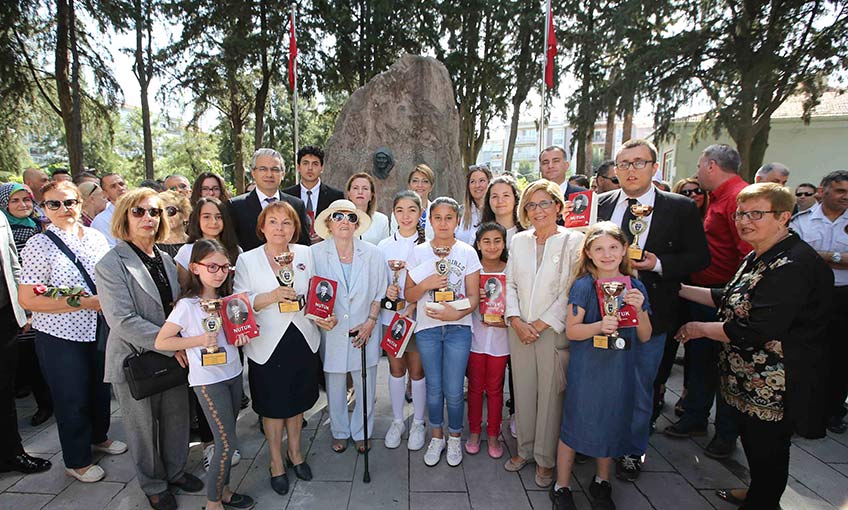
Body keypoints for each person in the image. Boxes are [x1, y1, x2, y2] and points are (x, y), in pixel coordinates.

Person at [676, 183, 833, 510]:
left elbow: (756, 329)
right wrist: (677, 288)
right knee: (755, 443)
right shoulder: (758, 254)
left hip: (777, 383)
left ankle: (763, 501)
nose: (745, 221)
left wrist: (698, 328)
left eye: (756, 214)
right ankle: (759, 490)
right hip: (748, 379)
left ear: (784, 217)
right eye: (741, 214)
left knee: (769, 448)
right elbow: (729, 297)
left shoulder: (794, 263)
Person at [594, 139, 710, 480]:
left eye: (638, 163)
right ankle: (598, 440)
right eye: (624, 164)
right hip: (599, 313)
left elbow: (700, 258)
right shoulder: (598, 205)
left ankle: (632, 449)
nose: (631, 170)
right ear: (615, 170)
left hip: (652, 312)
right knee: (599, 382)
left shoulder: (679, 208)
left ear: (654, 167)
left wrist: (659, 263)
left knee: (641, 385)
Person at [96, 188, 203, 508]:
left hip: (171, 356)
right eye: (139, 212)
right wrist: (173, 346)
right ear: (124, 217)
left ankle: (175, 471)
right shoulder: (111, 264)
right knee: (142, 428)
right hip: (135, 358)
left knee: (176, 418)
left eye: (155, 212)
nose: (148, 218)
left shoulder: (166, 260)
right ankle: (153, 483)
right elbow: (123, 320)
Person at [18, 181, 126, 484]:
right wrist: (82, 302)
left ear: (80, 204)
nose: (63, 209)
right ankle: (76, 460)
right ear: (43, 208)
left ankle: (98, 437)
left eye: (69, 202)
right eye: (54, 204)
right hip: (59, 334)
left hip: (98, 327)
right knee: (72, 395)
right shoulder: (39, 245)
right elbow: (28, 298)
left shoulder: (95, 238)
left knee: (99, 387)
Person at [551, 222, 652, 510]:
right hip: (588, 370)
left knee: (611, 420)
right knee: (575, 422)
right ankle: (562, 484)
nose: (606, 254)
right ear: (589, 253)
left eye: (613, 247)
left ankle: (602, 481)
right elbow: (572, 331)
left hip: (619, 369)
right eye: (599, 248)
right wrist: (598, 325)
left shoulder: (636, 286)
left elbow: (644, 335)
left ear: (623, 250)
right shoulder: (583, 286)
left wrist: (639, 308)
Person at [156, 239, 254, 510]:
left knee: (230, 438)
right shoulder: (187, 306)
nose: (219, 272)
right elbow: (162, 342)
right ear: (195, 268)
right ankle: (212, 504)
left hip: (233, 373)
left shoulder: (228, 301)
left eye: (224, 267)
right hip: (208, 381)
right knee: (225, 443)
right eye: (212, 266)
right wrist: (199, 339)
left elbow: (233, 335)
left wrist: (241, 336)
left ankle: (225, 491)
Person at [666, 144, 750, 461]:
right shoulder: (716, 198)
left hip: (722, 295)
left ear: (712, 165)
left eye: (700, 165)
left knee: (721, 365)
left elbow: (747, 253)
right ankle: (696, 417)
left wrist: (736, 298)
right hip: (702, 291)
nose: (698, 172)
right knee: (700, 360)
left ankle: (725, 434)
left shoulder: (738, 198)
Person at [234, 201, 321, 496]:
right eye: (273, 222)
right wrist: (271, 296)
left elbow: (317, 292)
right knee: (272, 406)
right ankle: (275, 462)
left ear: (295, 228)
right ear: (262, 227)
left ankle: (296, 454)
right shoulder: (248, 259)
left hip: (302, 337)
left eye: (287, 222)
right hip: (267, 342)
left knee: (296, 402)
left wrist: (324, 311)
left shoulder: (307, 254)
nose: (280, 228)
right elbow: (240, 302)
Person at [503, 180, 583, 487]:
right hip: (519, 329)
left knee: (551, 395)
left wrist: (539, 324)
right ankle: (524, 450)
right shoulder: (519, 240)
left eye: (545, 204)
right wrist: (515, 318)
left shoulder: (573, 241)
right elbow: (509, 283)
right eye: (531, 205)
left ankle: (546, 460)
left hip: (551, 331)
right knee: (523, 392)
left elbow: (570, 289)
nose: (538, 211)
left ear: (559, 207)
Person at [404, 197, 481, 467]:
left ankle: (455, 437)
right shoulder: (419, 251)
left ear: (457, 221)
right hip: (427, 329)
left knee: (454, 388)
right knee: (434, 387)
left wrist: (456, 313)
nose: (444, 223)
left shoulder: (467, 252)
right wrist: (426, 283)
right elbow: (408, 293)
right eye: (438, 217)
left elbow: (474, 297)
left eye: (450, 218)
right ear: (430, 220)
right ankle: (436, 436)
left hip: (458, 327)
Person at [311, 199, 387, 454]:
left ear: (357, 224)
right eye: (338, 216)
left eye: (350, 217)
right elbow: (311, 293)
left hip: (365, 327)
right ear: (328, 223)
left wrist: (371, 322)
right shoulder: (315, 254)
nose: (345, 221)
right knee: (334, 382)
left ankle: (362, 431)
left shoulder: (374, 254)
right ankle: (340, 431)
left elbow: (380, 292)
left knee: (366, 383)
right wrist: (320, 317)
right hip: (331, 329)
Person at [791, 170, 848, 434]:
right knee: (807, 355)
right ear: (822, 191)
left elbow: (809, 255)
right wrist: (840, 257)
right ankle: (801, 411)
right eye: (840, 191)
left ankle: (834, 411)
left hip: (844, 296)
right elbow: (797, 256)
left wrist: (822, 255)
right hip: (809, 297)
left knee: (840, 357)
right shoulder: (802, 221)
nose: (845, 197)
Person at [0, 210, 52, 475]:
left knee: (4, 391)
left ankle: (11, 454)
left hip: (4, 317)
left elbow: (12, 263)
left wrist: (24, 310)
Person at [377, 191, 428, 451]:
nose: (406, 216)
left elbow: (435, 284)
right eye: (400, 210)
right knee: (396, 370)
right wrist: (388, 290)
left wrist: (415, 303)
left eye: (411, 210)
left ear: (420, 213)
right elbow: (378, 282)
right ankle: (397, 421)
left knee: (417, 372)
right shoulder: (384, 246)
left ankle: (418, 421)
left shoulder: (428, 245)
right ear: (393, 213)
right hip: (392, 317)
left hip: (420, 319)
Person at [465, 222, 509, 459]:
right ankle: (473, 431)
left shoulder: (511, 269)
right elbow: (461, 300)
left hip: (501, 339)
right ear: (478, 245)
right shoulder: (472, 270)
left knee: (495, 388)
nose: (492, 246)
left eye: (497, 241)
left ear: (504, 243)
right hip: (475, 337)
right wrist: (474, 296)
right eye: (486, 241)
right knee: (474, 387)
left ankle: (493, 433)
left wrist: (506, 320)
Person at [229, 148, 310, 250]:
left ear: (283, 174)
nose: (269, 174)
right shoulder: (235, 206)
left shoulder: (297, 205)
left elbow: (303, 245)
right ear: (253, 173)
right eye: (263, 169)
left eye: (275, 169)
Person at [283, 145, 345, 244]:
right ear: (298, 167)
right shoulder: (286, 196)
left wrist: (324, 235)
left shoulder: (335, 196)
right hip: (295, 249)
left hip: (326, 249)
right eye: (306, 163)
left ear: (322, 167)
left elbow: (340, 225)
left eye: (315, 164)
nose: (310, 168)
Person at [175, 197, 240, 288]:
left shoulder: (235, 250)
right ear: (198, 219)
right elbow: (183, 287)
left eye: (218, 217)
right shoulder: (187, 251)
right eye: (206, 217)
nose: (214, 222)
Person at [391, 164, 436, 240]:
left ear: (431, 187)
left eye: (425, 181)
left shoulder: (436, 212)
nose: (420, 185)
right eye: (415, 181)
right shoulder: (398, 212)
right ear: (409, 185)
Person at [346, 172, 389, 245]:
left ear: (372, 195)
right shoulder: (340, 219)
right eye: (355, 188)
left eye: (365, 188)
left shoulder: (382, 220)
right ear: (349, 194)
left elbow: (384, 248)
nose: (360, 192)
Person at [480, 175, 524, 246]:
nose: (500, 201)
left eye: (506, 195)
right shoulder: (481, 234)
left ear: (515, 199)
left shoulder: (528, 232)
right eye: (494, 196)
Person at [455, 165, 492, 244]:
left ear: (489, 183)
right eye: (472, 182)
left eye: (481, 181)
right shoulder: (460, 213)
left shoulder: (496, 212)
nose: (477, 185)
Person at [91, 172, 128, 247]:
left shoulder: (141, 212)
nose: (120, 188)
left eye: (121, 184)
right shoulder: (101, 220)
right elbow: (109, 251)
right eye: (113, 186)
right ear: (105, 194)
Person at [156, 190, 191, 259]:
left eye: (170, 211)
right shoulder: (151, 247)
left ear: (185, 215)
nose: (165, 216)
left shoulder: (196, 246)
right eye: (160, 212)